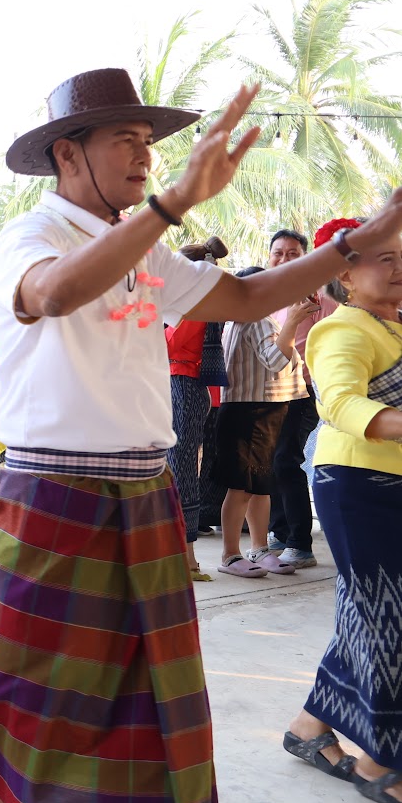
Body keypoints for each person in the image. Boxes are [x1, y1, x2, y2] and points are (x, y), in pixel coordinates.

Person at [0, 69, 402, 803]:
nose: (144, 156)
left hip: (146, 492)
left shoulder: (147, 247)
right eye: (125, 139)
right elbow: (50, 295)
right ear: (66, 152)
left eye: (149, 143)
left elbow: (247, 297)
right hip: (51, 493)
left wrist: (353, 244)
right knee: (41, 694)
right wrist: (171, 207)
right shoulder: (31, 235)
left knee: (147, 710)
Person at [282, 218, 402, 803]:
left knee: (373, 615)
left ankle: (309, 728)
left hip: (394, 483)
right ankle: (380, 759)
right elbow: (341, 401)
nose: (399, 268)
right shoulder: (342, 330)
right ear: (346, 276)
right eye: (384, 258)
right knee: (387, 619)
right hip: (357, 486)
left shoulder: (395, 326)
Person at [214, 264, 317, 577]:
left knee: (259, 485)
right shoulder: (257, 319)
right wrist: (295, 321)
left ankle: (259, 549)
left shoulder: (240, 319)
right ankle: (231, 555)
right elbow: (275, 360)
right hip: (251, 411)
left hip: (258, 410)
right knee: (243, 486)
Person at [265, 228, 332, 568]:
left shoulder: (320, 295)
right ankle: (278, 531)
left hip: (304, 391)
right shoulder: (267, 295)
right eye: (279, 253)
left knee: (285, 460)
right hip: (271, 393)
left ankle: (300, 544)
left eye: (293, 253)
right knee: (272, 461)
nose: (285, 258)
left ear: (305, 257)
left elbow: (336, 338)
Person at [165, 236, 229, 582]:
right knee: (179, 468)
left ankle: (186, 557)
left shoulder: (192, 305)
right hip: (183, 387)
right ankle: (183, 555)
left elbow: (171, 344)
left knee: (180, 470)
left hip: (183, 386)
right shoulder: (199, 302)